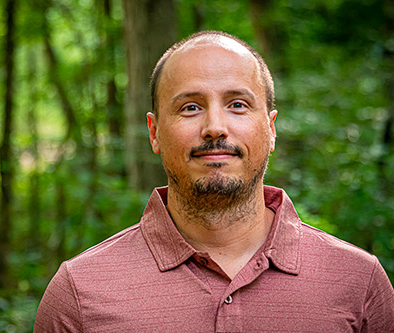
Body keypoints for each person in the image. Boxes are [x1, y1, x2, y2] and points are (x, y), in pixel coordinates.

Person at [34, 31, 394, 332]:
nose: (215, 128)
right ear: (154, 132)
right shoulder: (80, 292)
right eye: (190, 107)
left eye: (237, 104)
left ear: (270, 130)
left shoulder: (359, 283)